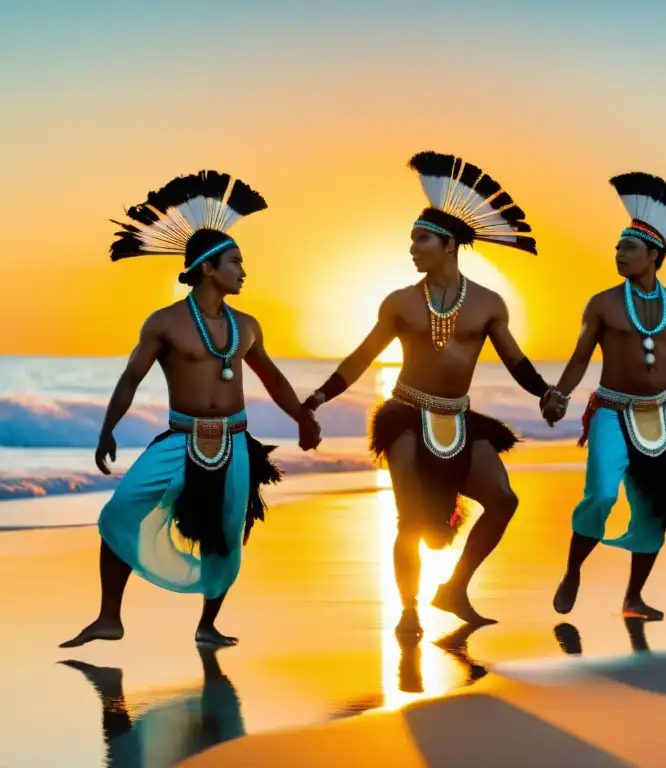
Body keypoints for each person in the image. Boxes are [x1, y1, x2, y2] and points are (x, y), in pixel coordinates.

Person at [60, 171, 322, 649]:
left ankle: (208, 625)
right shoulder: (164, 323)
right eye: (236, 262)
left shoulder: (248, 325)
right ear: (208, 268)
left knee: (227, 535)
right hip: (180, 440)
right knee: (119, 511)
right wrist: (106, 431)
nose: (244, 271)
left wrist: (303, 418)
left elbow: (274, 379)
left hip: (235, 441)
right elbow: (130, 379)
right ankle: (108, 618)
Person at [304, 151, 553, 636]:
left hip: (460, 418)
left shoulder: (488, 304)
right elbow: (360, 358)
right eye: (413, 239)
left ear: (449, 245)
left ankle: (455, 588)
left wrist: (546, 393)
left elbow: (516, 361)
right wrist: (316, 399)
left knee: (503, 501)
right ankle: (409, 610)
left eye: (422, 239)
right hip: (404, 415)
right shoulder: (399, 302)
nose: (413, 248)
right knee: (410, 519)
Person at [542, 171, 666, 621]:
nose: (618, 254)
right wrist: (560, 394)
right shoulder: (603, 303)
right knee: (602, 496)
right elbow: (580, 356)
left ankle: (633, 597)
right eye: (617, 247)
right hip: (609, 412)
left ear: (653, 256)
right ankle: (573, 571)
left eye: (628, 248)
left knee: (653, 511)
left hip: (659, 417)